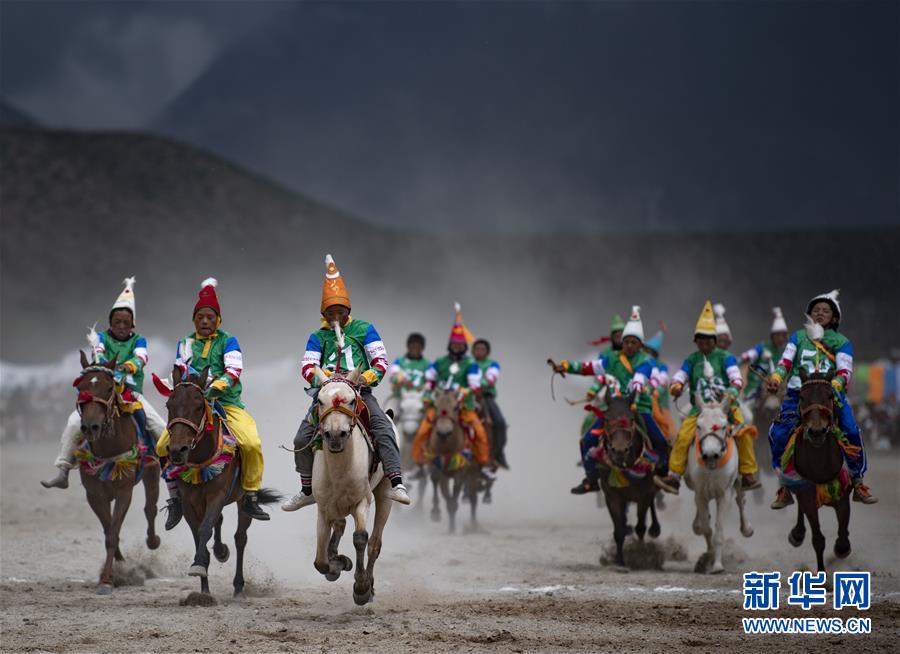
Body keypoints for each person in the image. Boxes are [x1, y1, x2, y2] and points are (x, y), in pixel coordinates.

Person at [281, 255, 410, 512]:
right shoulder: (317, 336)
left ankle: (396, 482)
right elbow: (307, 366)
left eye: (340, 312)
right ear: (324, 314)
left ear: (348, 311)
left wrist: (365, 377)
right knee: (301, 438)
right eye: (331, 313)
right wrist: (323, 378)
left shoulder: (365, 329)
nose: (336, 317)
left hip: (359, 393)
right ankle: (307, 490)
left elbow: (381, 361)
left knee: (383, 427)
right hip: (327, 394)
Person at [156, 278, 270, 527]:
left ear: (218, 320)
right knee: (162, 446)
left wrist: (215, 387)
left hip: (227, 403)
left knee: (251, 443)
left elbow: (233, 370)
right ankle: (175, 499)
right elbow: (181, 370)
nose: (205, 321)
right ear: (194, 320)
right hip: (193, 406)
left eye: (210, 317)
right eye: (200, 317)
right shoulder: (185, 343)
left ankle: (250, 495)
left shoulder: (229, 341)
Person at [41, 277, 167, 490]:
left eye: (126, 322)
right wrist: (103, 364)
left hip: (130, 393)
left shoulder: (139, 340)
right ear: (111, 322)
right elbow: (97, 352)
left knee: (159, 425)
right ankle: (63, 470)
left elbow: (141, 357)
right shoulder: (100, 338)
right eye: (117, 322)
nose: (121, 326)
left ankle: (168, 468)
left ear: (132, 324)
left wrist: (128, 366)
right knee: (73, 423)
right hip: (100, 393)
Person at [766, 290, 877, 508]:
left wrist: (835, 385)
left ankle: (858, 482)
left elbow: (845, 371)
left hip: (829, 394)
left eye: (825, 311)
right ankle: (785, 486)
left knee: (851, 430)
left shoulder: (842, 342)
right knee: (776, 433)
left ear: (834, 318)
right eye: (816, 310)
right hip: (799, 394)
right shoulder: (797, 337)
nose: (820, 313)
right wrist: (776, 379)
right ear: (810, 314)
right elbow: (785, 363)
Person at [549, 306, 671, 494]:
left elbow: (640, 377)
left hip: (638, 408)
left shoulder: (646, 361)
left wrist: (636, 390)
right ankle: (590, 480)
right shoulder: (611, 359)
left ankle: (663, 476)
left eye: (633, 342)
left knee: (661, 442)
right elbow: (588, 367)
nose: (629, 345)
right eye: (626, 342)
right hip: (613, 409)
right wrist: (565, 367)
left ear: (640, 345)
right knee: (587, 441)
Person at [654, 301, 760, 494]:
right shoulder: (691, 360)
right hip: (699, 409)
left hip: (726, 408)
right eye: (700, 340)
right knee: (683, 436)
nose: (704, 344)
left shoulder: (726, 357)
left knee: (744, 431)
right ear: (695, 341)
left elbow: (736, 379)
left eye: (708, 340)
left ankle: (748, 474)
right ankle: (674, 476)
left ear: (714, 340)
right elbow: (680, 376)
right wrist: (676, 385)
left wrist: (732, 392)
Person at [411, 303, 492, 469]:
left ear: (464, 347)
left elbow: (475, 386)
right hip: (440, 404)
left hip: (463, 405)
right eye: (454, 345)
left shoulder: (470, 364)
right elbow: (429, 381)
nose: (457, 347)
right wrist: (427, 395)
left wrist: (465, 392)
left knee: (479, 432)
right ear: (450, 345)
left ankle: (482, 464)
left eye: (460, 345)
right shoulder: (440, 362)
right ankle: (419, 463)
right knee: (422, 430)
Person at [472, 338, 509, 469]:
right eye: (477, 349)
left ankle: (498, 453)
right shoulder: (467, 363)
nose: (479, 351)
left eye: (482, 349)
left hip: (485, 397)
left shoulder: (493, 364)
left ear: (487, 352)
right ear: (473, 351)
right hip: (467, 397)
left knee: (500, 423)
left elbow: (491, 378)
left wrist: (479, 385)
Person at [741, 307, 789, 400]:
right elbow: (751, 354)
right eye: (778, 335)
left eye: (783, 335)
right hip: (756, 389)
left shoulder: (787, 351)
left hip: (778, 388)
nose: (780, 338)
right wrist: (747, 356)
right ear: (772, 336)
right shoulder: (763, 347)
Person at [644, 326, 676, 442]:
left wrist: (655, 392)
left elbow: (663, 382)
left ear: (655, 353)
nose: (647, 353)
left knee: (671, 433)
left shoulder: (662, 366)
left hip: (659, 403)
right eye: (646, 350)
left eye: (650, 351)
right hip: (642, 400)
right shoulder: (639, 361)